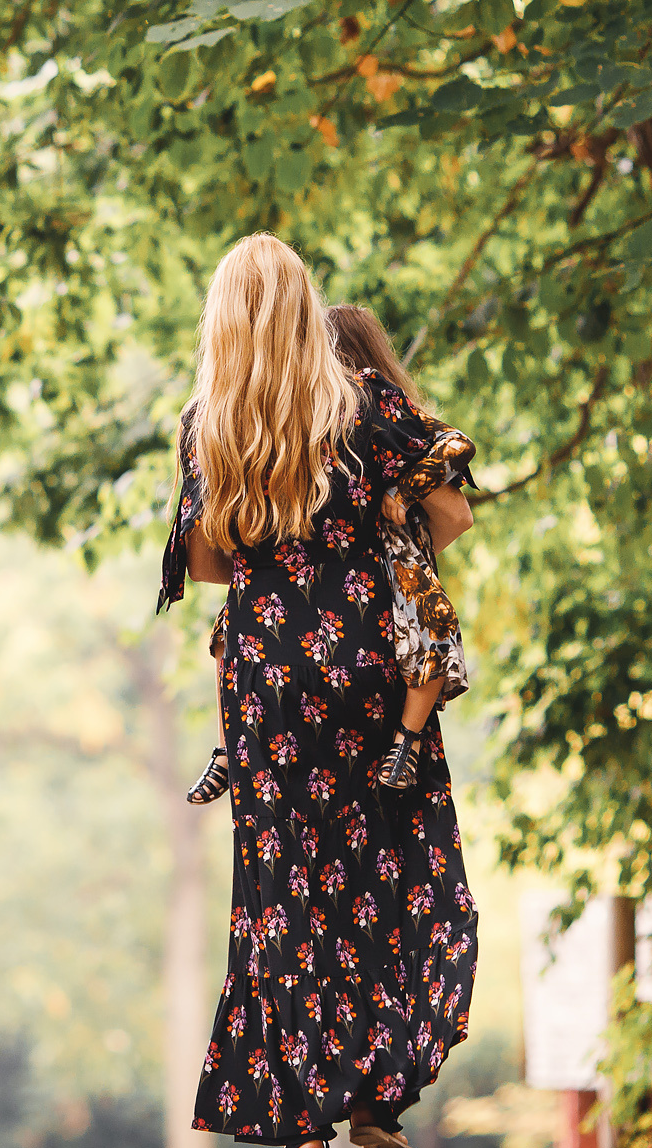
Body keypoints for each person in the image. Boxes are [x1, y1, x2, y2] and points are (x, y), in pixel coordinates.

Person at [159, 234, 481, 1148]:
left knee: (285, 893)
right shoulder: (364, 403)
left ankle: (301, 1124)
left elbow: (212, 562)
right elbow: (452, 511)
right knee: (390, 869)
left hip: (266, 681)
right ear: (304, 305)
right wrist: (380, 532)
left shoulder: (205, 423)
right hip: (367, 668)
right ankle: (378, 1100)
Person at [182, 303, 474, 804]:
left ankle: (406, 739)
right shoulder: (335, 433)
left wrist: (402, 539)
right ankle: (227, 749)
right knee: (224, 633)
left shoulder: (376, 418)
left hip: (382, 568)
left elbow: (453, 473)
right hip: (332, 629)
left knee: (430, 629)